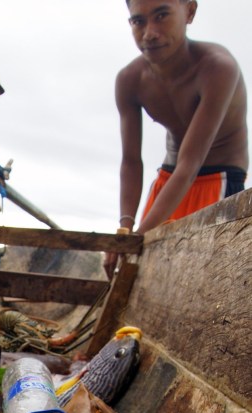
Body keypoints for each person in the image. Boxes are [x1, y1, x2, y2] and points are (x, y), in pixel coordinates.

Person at [106, 0, 248, 275]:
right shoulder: (129, 79)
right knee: (138, 271)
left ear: (190, 12)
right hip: (168, 180)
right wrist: (125, 230)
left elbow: (190, 163)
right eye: (138, 21)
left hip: (216, 178)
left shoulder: (217, 67)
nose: (149, 32)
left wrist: (138, 237)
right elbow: (131, 161)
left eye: (161, 16)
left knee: (203, 277)